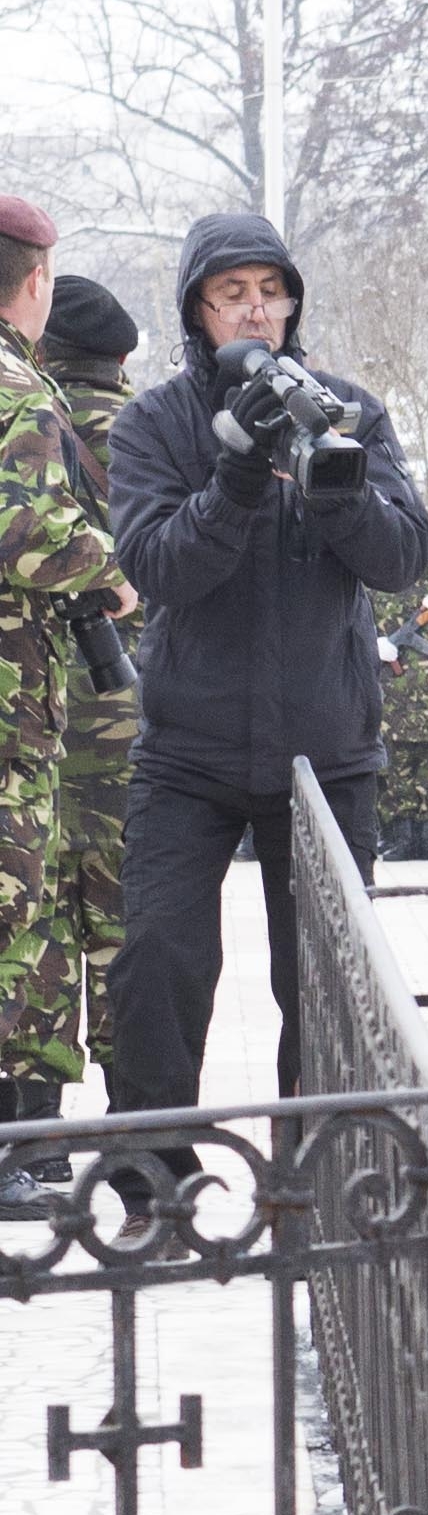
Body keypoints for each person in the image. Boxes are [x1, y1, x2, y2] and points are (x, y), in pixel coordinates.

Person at [104, 212, 428, 1113]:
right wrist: (236, 479)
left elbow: (403, 559)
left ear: (292, 302)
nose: (256, 312)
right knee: (159, 964)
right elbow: (159, 567)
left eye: (271, 291)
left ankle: (318, 1177)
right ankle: (151, 1184)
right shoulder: (155, 425)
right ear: (197, 310)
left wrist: (340, 490)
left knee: (327, 980)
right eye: (232, 294)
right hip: (188, 753)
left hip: (326, 752)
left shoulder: (351, 408)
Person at [0, 205, 129, 1151]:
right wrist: (115, 575)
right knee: (25, 908)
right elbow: (30, 536)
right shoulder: (17, 390)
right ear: (35, 278)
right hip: (27, 705)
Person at [31, 273, 144, 1098]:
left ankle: (35, 1119)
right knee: (119, 907)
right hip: (126, 701)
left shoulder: (25, 417)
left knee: (33, 905)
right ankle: (135, 1112)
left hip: (28, 704)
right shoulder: (144, 434)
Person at [370, 570, 428, 864]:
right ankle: (401, 838)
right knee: (396, 776)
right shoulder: (373, 589)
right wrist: (373, 644)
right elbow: (346, 629)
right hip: (392, 702)